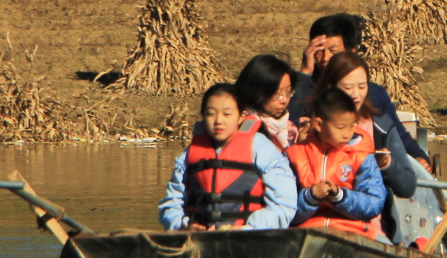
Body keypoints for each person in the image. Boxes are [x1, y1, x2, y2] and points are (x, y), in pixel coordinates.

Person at [289, 15, 431, 169]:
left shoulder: (374, 94)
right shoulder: (304, 90)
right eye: (318, 51)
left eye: (333, 51)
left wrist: (420, 158)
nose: (325, 58)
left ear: (352, 53)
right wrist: (304, 74)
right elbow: (290, 128)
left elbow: (397, 135)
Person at [161, 83, 297, 232]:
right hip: (200, 238)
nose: (218, 120)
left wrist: (249, 228)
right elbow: (171, 204)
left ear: (241, 117)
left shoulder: (261, 148)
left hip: (251, 239)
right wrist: (183, 225)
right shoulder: (188, 155)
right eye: (211, 113)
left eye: (227, 114)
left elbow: (284, 205)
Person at [311, 50, 421, 199]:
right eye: (348, 88)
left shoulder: (381, 125)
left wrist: (386, 165)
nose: (356, 95)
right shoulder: (313, 124)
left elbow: (408, 187)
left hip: (371, 215)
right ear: (331, 87)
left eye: (362, 87)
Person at [286, 87, 388, 239]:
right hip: (305, 235)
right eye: (340, 127)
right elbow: (284, 206)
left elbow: (374, 203)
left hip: (353, 234)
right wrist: (310, 197)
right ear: (319, 125)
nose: (347, 133)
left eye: (352, 125)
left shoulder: (361, 156)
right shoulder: (295, 155)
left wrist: (341, 196)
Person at [233, 53, 297, 151]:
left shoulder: (290, 131)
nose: (284, 100)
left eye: (288, 92)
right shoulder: (244, 129)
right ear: (256, 91)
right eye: (277, 94)